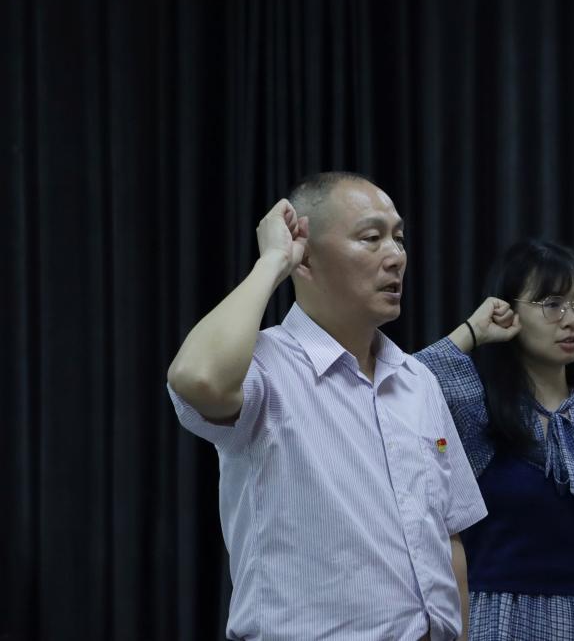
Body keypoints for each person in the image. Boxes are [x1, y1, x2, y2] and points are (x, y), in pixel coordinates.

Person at [166, 171, 486, 640]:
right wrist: (272, 262)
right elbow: (199, 377)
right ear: (306, 256)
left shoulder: (418, 381)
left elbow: (449, 535)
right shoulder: (265, 367)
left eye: (399, 238)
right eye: (371, 238)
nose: (396, 256)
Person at [414, 240, 574, 640]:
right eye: (552, 304)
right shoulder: (477, 408)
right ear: (509, 311)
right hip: (495, 623)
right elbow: (405, 384)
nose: (572, 320)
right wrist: (473, 332)